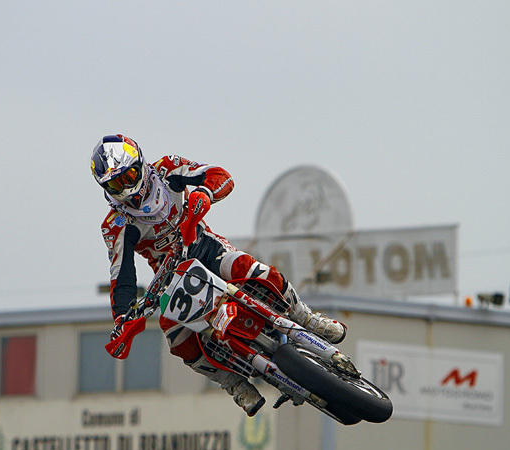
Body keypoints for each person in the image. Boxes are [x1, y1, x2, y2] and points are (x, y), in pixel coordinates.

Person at [91, 134, 346, 416]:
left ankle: (306, 316)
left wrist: (206, 193)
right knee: (174, 334)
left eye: (129, 177)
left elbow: (221, 176)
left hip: (204, 245)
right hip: (168, 276)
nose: (126, 188)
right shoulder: (115, 225)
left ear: (140, 164)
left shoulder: (167, 169)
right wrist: (123, 318)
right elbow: (121, 275)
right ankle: (233, 383)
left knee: (255, 270)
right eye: (116, 184)